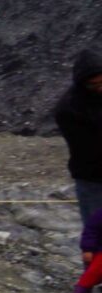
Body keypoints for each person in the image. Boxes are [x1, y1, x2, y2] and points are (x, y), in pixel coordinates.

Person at [57, 49, 102, 227]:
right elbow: (90, 150)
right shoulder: (69, 109)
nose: (101, 88)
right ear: (82, 84)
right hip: (93, 180)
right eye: (94, 85)